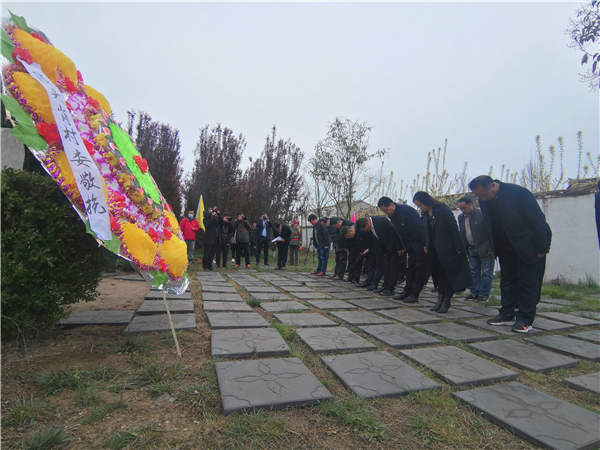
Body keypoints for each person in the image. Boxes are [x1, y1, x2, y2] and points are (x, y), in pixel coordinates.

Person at [469, 175, 551, 333]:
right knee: (507, 281)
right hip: (505, 247)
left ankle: (525, 319)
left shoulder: (518, 193)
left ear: (493, 185)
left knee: (528, 282)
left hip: (528, 245)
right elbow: (489, 225)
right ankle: (506, 313)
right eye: (479, 196)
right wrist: (492, 247)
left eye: (484, 195)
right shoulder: (484, 200)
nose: (483, 199)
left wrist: (542, 247)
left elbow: (538, 220)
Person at [413, 192, 472, 313]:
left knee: (448, 275)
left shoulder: (442, 209)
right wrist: (425, 244)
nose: (420, 207)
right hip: (433, 249)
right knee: (438, 274)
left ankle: (446, 300)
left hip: (447, 248)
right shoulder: (425, 213)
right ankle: (440, 299)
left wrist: (459, 246)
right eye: (418, 206)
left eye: (421, 205)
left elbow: (453, 227)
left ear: (426, 201)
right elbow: (425, 231)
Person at [378, 197, 428, 303]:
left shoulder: (406, 210)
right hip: (410, 245)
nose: (386, 213)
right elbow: (398, 232)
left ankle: (415, 293)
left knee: (419, 269)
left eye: (386, 210)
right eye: (383, 212)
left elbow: (421, 227)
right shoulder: (392, 215)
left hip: (419, 243)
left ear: (392, 205)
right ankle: (407, 291)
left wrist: (425, 244)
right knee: (410, 268)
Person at [457, 197, 494, 302]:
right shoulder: (461, 218)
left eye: (464, 208)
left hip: (485, 248)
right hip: (471, 248)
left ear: (471, 205)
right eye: (461, 208)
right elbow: (462, 233)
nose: (463, 210)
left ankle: (484, 295)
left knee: (486, 272)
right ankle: (474, 293)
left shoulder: (482, 215)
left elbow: (490, 233)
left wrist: (491, 248)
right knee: (474, 272)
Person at [356, 216, 405, 296]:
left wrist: (400, 247)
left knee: (393, 268)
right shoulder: (371, 228)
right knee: (386, 267)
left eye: (364, 229)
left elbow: (394, 233)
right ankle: (385, 285)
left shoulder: (381, 221)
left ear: (367, 224)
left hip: (395, 248)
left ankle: (390, 288)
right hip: (386, 249)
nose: (365, 231)